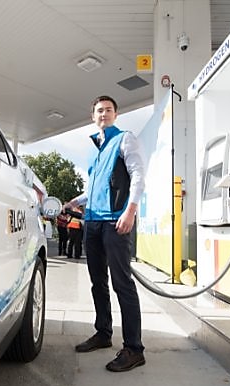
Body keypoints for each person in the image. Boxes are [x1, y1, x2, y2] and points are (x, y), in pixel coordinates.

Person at [63, 95, 145, 372]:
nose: (104, 114)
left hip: (115, 222)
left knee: (122, 283)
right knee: (98, 282)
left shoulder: (124, 139)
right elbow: (95, 189)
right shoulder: (96, 149)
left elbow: (137, 175)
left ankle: (134, 348)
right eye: (99, 110)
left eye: (109, 109)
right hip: (93, 222)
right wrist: (75, 202)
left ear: (115, 114)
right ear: (93, 116)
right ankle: (103, 334)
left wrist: (130, 211)